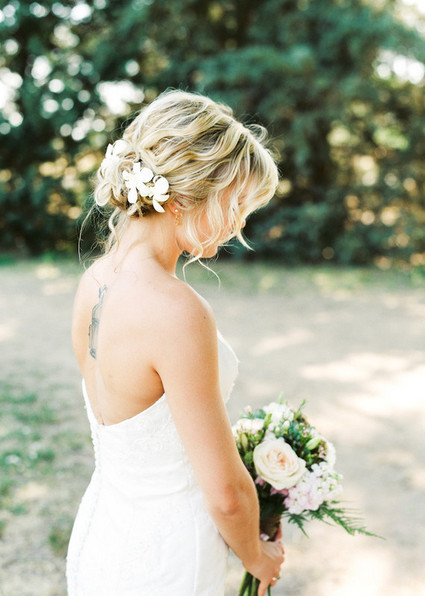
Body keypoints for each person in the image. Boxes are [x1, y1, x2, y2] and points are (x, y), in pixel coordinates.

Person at [66, 89, 284, 596]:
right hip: (167, 561)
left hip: (104, 538)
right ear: (184, 197)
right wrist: (258, 557)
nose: (241, 223)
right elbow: (226, 494)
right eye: (236, 203)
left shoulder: (94, 281)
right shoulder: (177, 311)